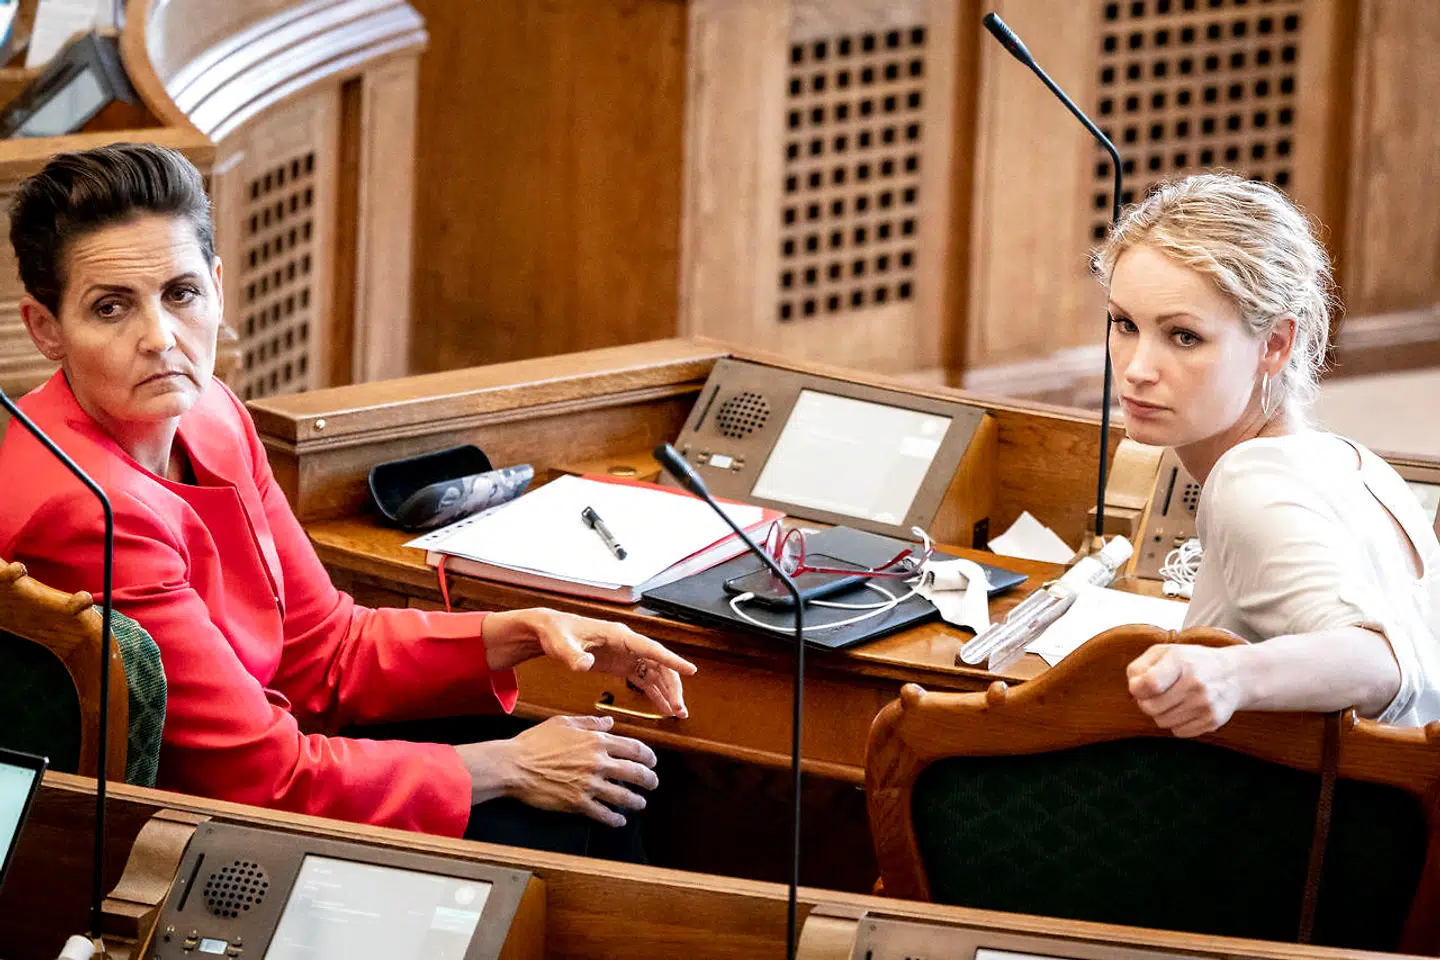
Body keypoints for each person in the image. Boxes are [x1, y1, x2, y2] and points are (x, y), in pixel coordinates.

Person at [0, 142, 697, 857]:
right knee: (577, 817)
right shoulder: (80, 510)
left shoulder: (212, 411)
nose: (159, 338)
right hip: (181, 837)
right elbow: (258, 778)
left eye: (180, 295)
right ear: (46, 329)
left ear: (217, 286)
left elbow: (324, 651)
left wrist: (528, 631)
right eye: (111, 309)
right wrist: (503, 767)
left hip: (282, 758)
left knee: (623, 781)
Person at [1092, 172, 1440, 735]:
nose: (1135, 369)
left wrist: (1234, 675)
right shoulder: (1352, 461)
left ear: (1275, 344)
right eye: (1125, 324)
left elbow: (1385, 663)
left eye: (1184, 336)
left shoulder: (1249, 482)